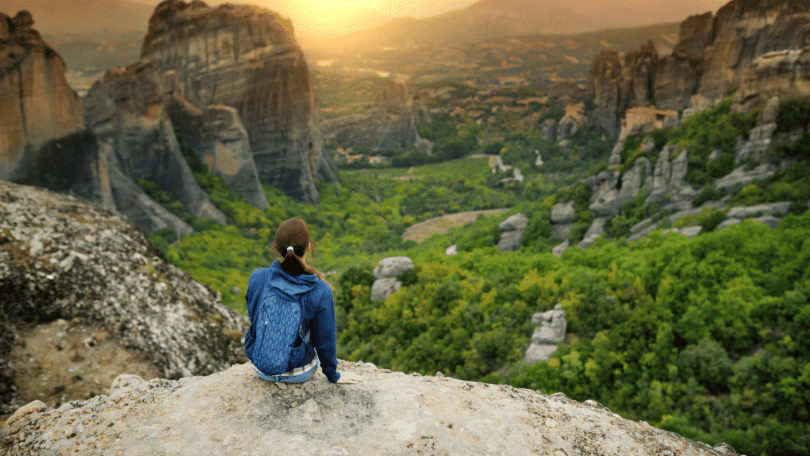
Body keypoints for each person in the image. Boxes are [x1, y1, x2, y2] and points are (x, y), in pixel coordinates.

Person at [244, 218, 347, 384]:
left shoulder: (257, 277)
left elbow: (256, 319)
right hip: (298, 372)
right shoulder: (320, 290)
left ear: (276, 248)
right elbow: (325, 343)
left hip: (260, 369)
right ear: (309, 247)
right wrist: (332, 376)